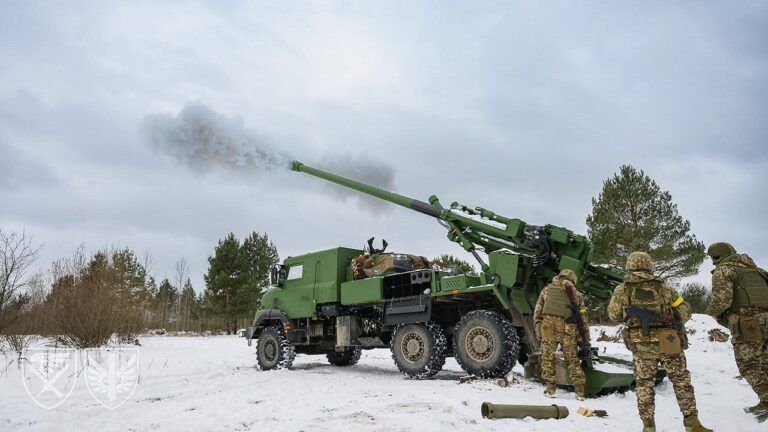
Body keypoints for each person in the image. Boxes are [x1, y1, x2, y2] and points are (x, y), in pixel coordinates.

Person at [608, 252, 712, 432]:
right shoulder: (665, 288)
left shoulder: (622, 290)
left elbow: (614, 315)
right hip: (669, 342)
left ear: (630, 266)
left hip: (641, 345)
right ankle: (692, 424)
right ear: (649, 266)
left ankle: (648, 427)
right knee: (681, 381)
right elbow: (684, 314)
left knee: (644, 385)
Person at [706, 242, 768, 422]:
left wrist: (711, 313)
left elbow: (721, 300)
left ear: (715, 257)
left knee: (748, 364)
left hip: (749, 324)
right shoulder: (757, 270)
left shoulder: (724, 270)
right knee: (764, 362)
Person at [534, 268, 588, 400]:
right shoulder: (577, 294)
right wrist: (584, 338)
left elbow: (538, 312)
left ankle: (550, 389)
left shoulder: (546, 290)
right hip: (568, 330)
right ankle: (580, 392)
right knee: (572, 360)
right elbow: (583, 318)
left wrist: (539, 330)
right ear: (573, 280)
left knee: (547, 359)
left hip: (548, 329)